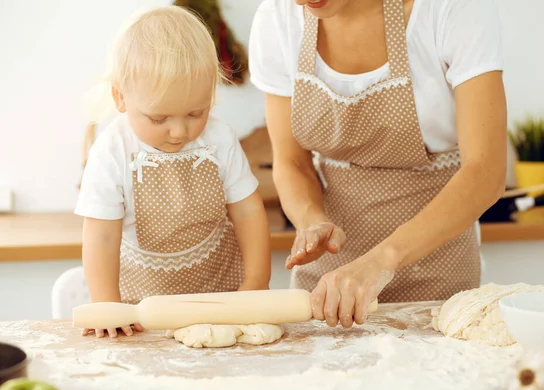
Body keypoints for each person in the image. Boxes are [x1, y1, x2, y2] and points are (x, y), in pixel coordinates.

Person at [248, 0, 507, 328]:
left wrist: (382, 260)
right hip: (330, 283)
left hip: (437, 274)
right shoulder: (278, 17)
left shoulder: (451, 9)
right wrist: (310, 220)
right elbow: (291, 161)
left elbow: (486, 171)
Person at [76, 6, 271, 338]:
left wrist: (256, 280)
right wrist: (108, 305)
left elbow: (248, 211)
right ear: (120, 97)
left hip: (222, 297)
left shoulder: (219, 137)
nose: (180, 131)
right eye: (158, 119)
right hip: (142, 308)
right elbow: (101, 236)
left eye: (197, 112)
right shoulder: (112, 152)